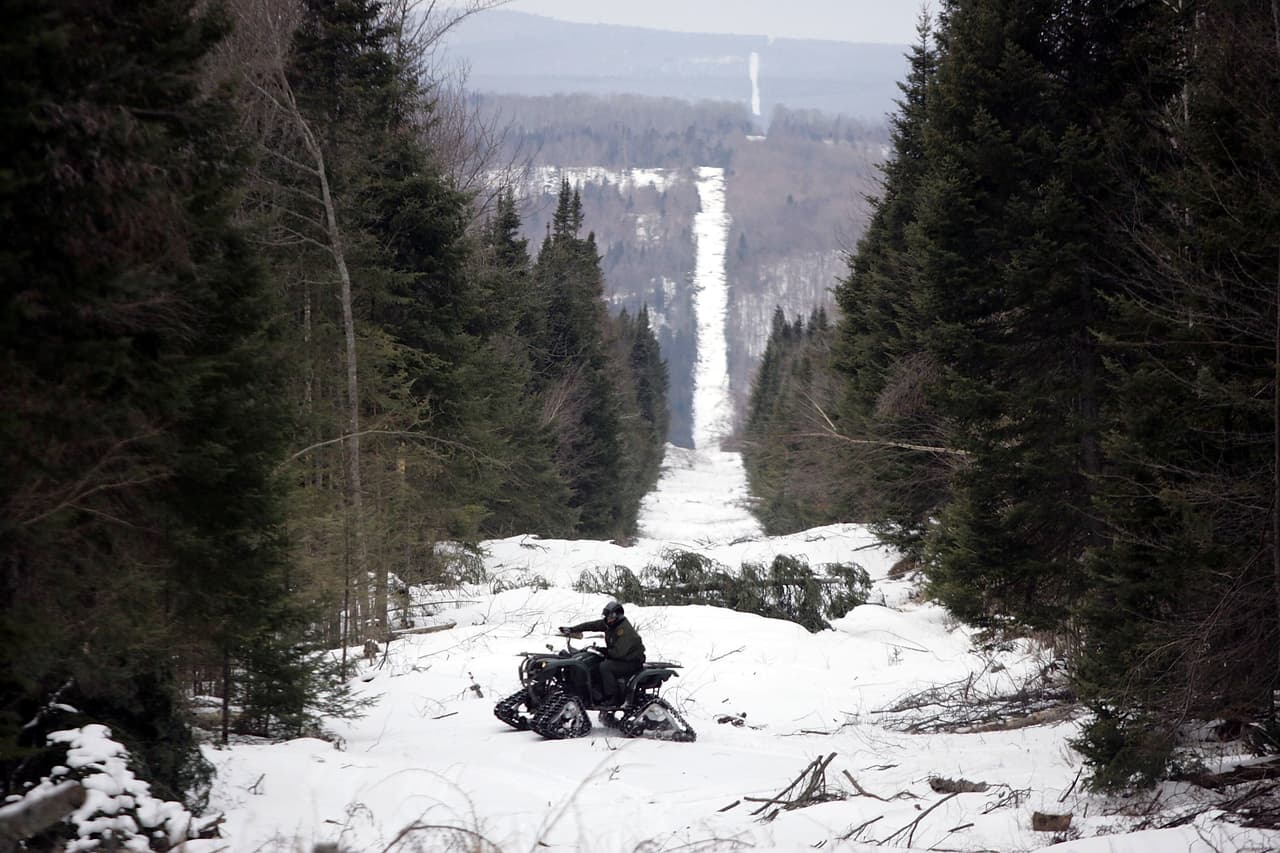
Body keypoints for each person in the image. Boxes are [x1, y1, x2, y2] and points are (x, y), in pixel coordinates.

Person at [559, 600, 645, 706]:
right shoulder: (611, 624)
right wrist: (573, 629)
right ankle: (594, 692)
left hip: (631, 661)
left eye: (611, 617)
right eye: (607, 616)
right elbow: (592, 625)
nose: (608, 619)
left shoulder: (624, 630)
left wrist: (602, 650)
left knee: (605, 667)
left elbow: (617, 653)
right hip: (619, 657)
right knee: (592, 663)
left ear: (618, 616)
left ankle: (612, 697)